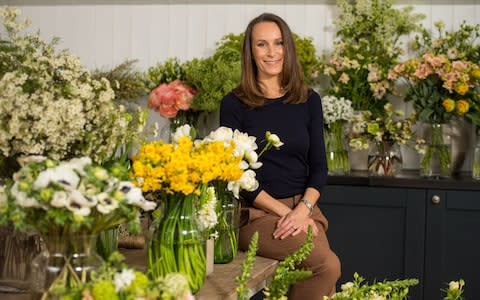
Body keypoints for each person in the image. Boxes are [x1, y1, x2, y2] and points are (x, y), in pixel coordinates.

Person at [220, 12, 341, 299]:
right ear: (250, 51)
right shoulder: (234, 103)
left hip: (306, 209)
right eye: (262, 44)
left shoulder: (309, 100)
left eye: (278, 43)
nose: (272, 52)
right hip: (258, 214)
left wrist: (302, 211)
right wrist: (288, 213)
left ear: (288, 47)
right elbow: (237, 174)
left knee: (325, 282)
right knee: (327, 266)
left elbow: (319, 167)